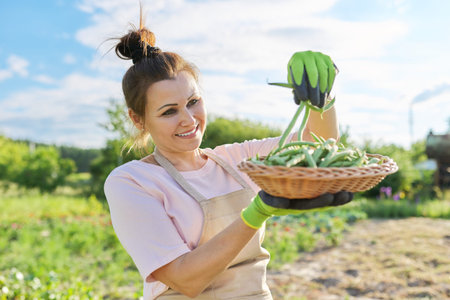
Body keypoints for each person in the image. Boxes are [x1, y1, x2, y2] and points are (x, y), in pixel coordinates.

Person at [104, 15, 353, 300]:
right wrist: (257, 211)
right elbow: (185, 278)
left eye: (193, 102)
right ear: (139, 120)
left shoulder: (237, 159)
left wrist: (323, 96)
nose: (189, 120)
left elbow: (317, 145)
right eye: (169, 111)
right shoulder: (132, 181)